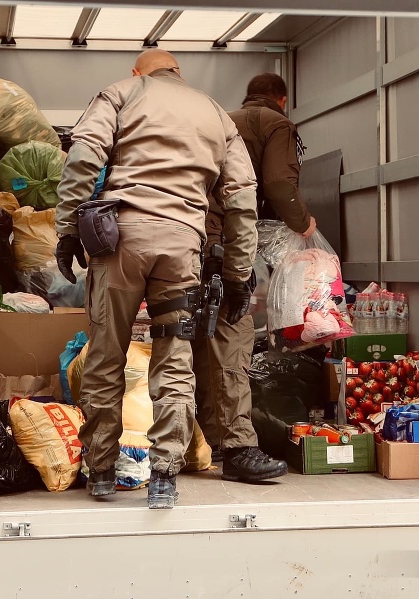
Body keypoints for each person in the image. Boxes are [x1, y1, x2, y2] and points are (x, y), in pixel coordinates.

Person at [54, 49, 259, 509]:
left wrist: (68, 228)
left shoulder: (121, 93)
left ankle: (102, 470)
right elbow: (243, 196)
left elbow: (84, 157)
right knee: (175, 357)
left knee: (107, 353)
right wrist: (238, 272)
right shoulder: (215, 113)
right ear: (178, 73)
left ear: (137, 71)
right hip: (182, 245)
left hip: (120, 242)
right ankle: (164, 475)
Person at [193, 73, 317, 482]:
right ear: (283, 98)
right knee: (233, 332)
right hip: (226, 238)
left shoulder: (217, 119)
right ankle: (237, 449)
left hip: (187, 238)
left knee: (195, 339)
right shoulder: (276, 123)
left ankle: (201, 441)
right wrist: (302, 222)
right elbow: (280, 185)